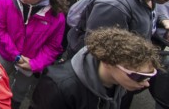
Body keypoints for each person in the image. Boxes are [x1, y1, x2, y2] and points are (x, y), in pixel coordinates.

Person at [30, 28, 162, 109]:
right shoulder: (59, 86)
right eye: (138, 76)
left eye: (150, 76)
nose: (146, 83)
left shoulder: (122, 84)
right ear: (108, 63)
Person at [0, 0, 66, 108]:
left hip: (30, 62)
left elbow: (53, 46)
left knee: (20, 90)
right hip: (5, 54)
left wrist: (35, 64)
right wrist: (15, 55)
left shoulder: (57, 17)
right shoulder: (6, 1)